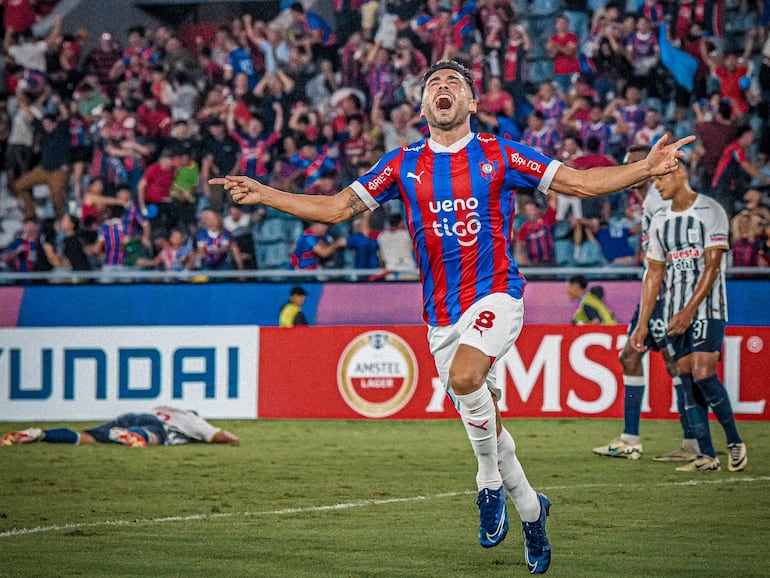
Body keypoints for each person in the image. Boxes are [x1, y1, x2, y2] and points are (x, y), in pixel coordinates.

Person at [212, 60, 693, 574]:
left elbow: (580, 183)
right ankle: (530, 509)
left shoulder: (500, 153)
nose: (443, 88)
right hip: (441, 317)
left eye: (454, 84)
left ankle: (489, 485)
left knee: (467, 378)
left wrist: (645, 168)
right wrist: (264, 193)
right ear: (421, 106)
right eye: (434, 84)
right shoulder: (402, 164)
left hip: (497, 294)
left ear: (472, 103)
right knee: (484, 416)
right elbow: (334, 210)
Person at [630, 161, 747, 473]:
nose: (657, 185)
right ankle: (707, 455)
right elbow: (653, 274)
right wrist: (642, 324)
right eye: (653, 180)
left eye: (660, 178)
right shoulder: (660, 221)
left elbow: (712, 267)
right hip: (673, 313)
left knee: (703, 372)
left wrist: (689, 310)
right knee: (684, 376)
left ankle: (734, 441)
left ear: (679, 173)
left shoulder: (711, 211)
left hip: (708, 308)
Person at [593, 145, 696, 462]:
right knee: (630, 356)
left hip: (663, 289)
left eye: (629, 165)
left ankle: (693, 441)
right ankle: (631, 439)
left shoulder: (658, 197)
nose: (627, 171)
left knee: (672, 359)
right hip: (652, 287)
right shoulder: (649, 198)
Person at [0, 406, 240, 448]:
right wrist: (234, 440)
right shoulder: (192, 420)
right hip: (152, 426)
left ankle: (40, 434)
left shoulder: (166, 408)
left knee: (87, 437)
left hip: (133, 416)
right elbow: (220, 436)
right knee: (153, 437)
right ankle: (131, 436)